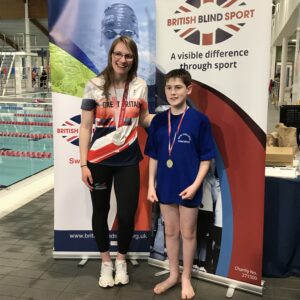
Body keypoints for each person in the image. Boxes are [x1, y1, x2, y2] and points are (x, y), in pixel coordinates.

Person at [79, 35, 153, 288]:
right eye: (119, 54)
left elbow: (142, 119)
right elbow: (86, 126)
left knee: (126, 212)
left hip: (128, 158)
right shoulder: (94, 85)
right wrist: (83, 164)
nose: (123, 59)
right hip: (98, 159)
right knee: (100, 212)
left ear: (134, 60)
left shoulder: (140, 86)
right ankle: (105, 262)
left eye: (128, 56)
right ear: (111, 55)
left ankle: (121, 259)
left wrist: (171, 119)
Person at [145, 69, 215, 299]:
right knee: (171, 231)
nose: (173, 92)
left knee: (188, 233)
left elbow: (206, 158)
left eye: (178, 87)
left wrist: (195, 186)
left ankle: (186, 277)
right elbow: (153, 155)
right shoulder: (158, 121)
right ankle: (173, 274)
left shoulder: (199, 120)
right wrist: (151, 186)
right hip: (165, 185)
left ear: (188, 89)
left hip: (188, 186)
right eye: (169, 88)